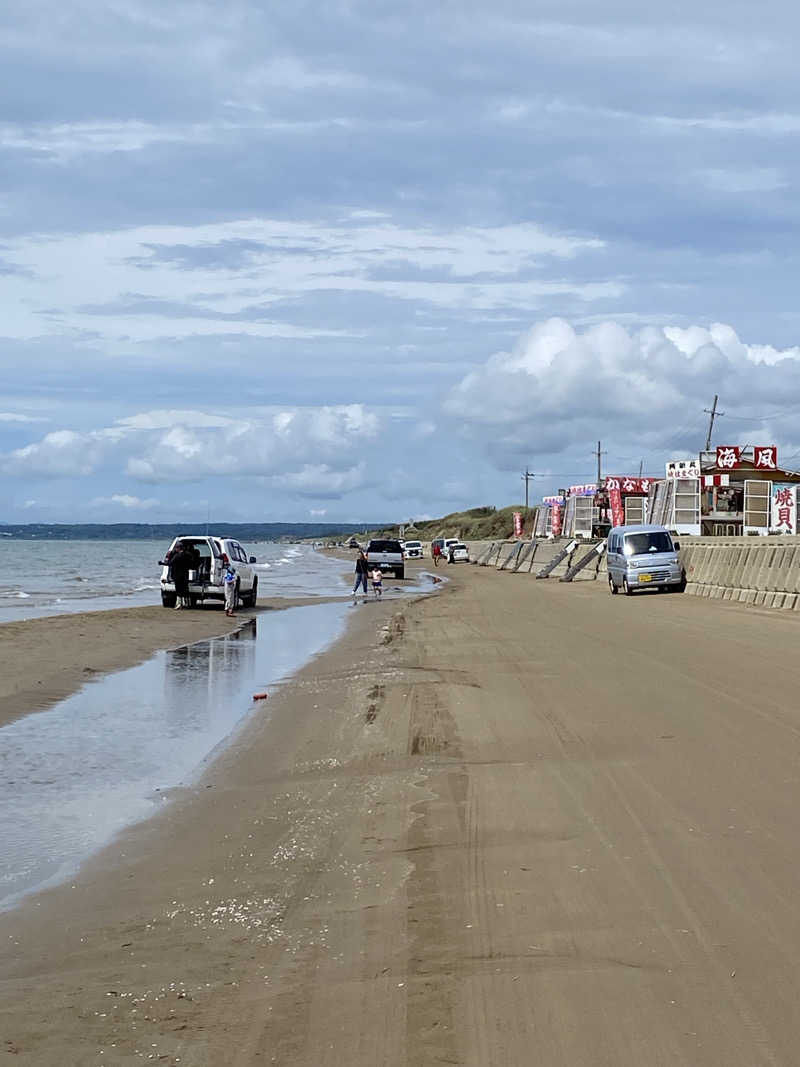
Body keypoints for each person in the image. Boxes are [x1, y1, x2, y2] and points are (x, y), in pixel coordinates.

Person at [170, 542, 192, 610]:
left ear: (178, 548)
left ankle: (179, 604)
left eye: (176, 548)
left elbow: (171, 563)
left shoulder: (177, 556)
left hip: (177, 575)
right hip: (185, 574)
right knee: (185, 589)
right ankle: (187, 603)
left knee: (178, 590)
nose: (175, 549)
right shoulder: (188, 555)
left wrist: (162, 563)